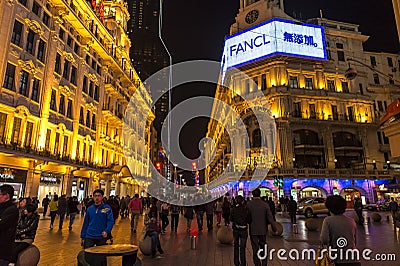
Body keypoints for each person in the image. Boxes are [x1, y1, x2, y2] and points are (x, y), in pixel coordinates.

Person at [320, 195, 360, 265]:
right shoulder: (351, 221)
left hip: (337, 259)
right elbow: (354, 240)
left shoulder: (328, 220)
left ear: (329, 208)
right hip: (354, 259)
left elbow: (324, 240)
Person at [81, 189, 114, 266]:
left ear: (102, 197)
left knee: (102, 257)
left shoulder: (107, 208)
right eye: (95, 196)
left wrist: (107, 230)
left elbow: (110, 221)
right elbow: (85, 223)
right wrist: (83, 236)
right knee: (88, 256)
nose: (97, 198)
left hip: (101, 236)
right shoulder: (89, 209)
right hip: (89, 235)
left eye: (99, 196)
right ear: (93, 197)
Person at [247, 188, 277, 266]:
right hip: (263, 230)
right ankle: (264, 263)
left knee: (255, 248)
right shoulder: (265, 205)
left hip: (253, 230)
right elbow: (270, 217)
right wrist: (274, 228)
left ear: (253, 195)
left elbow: (246, 216)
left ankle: (257, 264)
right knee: (263, 247)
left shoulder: (249, 204)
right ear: (260, 194)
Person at [0, 184, 19, 266]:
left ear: (6, 196)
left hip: (3, 250)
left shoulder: (12, 209)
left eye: (0, 194)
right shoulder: (2, 207)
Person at [230, 195, 250, 266]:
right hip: (244, 229)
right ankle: (243, 263)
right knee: (242, 247)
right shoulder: (246, 209)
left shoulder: (233, 209)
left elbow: (231, 219)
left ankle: (236, 262)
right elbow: (249, 220)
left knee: (236, 246)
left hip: (236, 229)